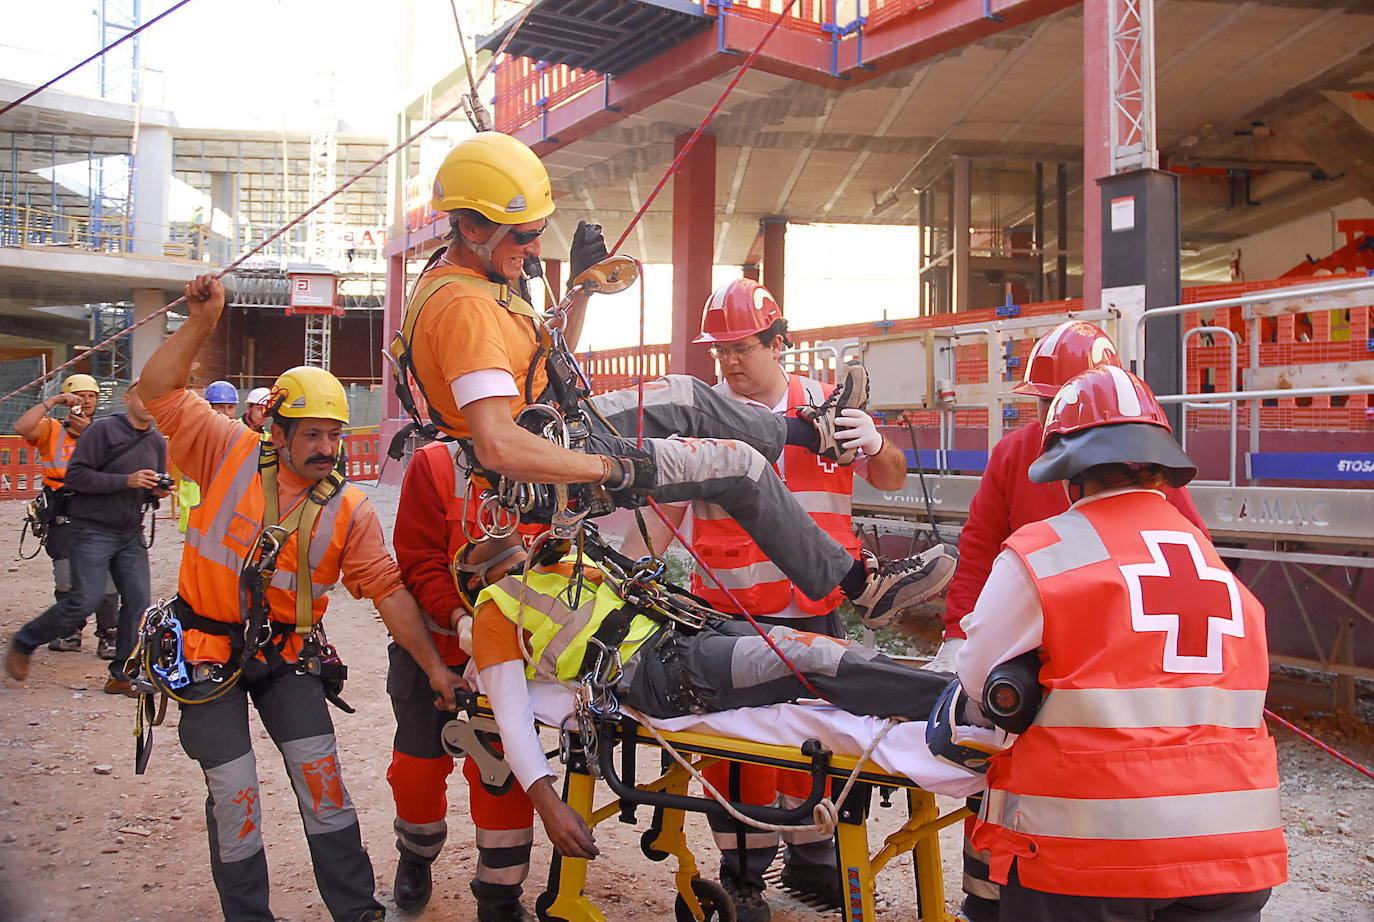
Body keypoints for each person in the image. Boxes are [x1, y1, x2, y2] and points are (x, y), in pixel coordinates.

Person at [398, 131, 954, 631]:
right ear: (470, 226)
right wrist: (615, 469)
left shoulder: (471, 281)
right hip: (552, 450)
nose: (534, 247)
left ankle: (818, 432)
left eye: (539, 232)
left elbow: (546, 362)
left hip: (558, 425)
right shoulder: (464, 307)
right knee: (740, 465)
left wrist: (584, 289)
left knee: (687, 394)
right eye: (523, 235)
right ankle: (864, 585)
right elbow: (498, 442)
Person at [133, 274, 466, 922]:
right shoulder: (222, 449)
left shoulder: (347, 509)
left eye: (334, 435)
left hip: (286, 657)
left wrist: (434, 667)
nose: (325, 448)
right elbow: (157, 390)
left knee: (323, 786)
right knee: (234, 793)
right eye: (310, 434)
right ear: (274, 431)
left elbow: (391, 593)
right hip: (204, 651)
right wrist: (201, 323)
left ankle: (356, 911)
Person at [634, 278, 925, 919]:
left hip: (815, 608)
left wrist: (874, 444)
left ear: (778, 343)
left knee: (821, 744)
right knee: (737, 757)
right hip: (733, 613)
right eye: (721, 350)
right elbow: (663, 515)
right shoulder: (704, 415)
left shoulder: (828, 406)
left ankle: (814, 859)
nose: (731, 361)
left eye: (743, 346)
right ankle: (742, 872)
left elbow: (894, 476)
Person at [955, 365, 1286, 922]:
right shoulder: (1211, 564)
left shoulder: (1044, 553)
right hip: (1234, 851)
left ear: (1070, 474)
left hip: (1089, 855)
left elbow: (975, 675)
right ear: (1160, 472)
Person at [928, 321, 1209, 922]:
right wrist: (956, 636)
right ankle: (988, 899)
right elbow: (979, 545)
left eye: (1053, 401)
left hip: (1096, 662)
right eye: (1038, 402)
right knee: (1001, 789)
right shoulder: (1016, 452)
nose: (1045, 415)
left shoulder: (1137, 476)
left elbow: (1182, 565)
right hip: (1035, 656)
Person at [467, 533, 953, 866]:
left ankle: (941, 689)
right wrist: (550, 807)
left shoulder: (569, 559)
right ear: (474, 580)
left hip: (686, 632)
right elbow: (512, 718)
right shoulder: (496, 608)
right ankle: (959, 704)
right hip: (660, 673)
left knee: (823, 652)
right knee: (809, 657)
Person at [388, 440, 537, 921]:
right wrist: (459, 619)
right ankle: (417, 852)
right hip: (433, 651)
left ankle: (500, 896)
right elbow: (417, 558)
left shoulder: (546, 462)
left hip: (509, 658)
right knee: (416, 770)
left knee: (502, 779)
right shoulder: (435, 464)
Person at [6, 381, 167, 695]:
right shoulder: (102, 431)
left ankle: (122, 674)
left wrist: (155, 490)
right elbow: (77, 476)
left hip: (130, 534)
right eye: (143, 394)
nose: (150, 402)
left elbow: (148, 490)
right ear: (127, 398)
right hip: (93, 530)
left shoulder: (157, 441)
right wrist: (127, 480)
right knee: (84, 599)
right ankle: (25, 640)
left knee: (138, 604)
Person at [12, 373, 120, 658]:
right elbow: (22, 426)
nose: (85, 401)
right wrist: (52, 401)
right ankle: (70, 631)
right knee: (65, 576)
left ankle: (109, 634)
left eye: (91, 396)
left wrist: (88, 435)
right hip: (61, 508)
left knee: (106, 575)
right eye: (79, 395)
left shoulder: (106, 431)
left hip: (97, 509)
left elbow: (117, 466)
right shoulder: (51, 429)